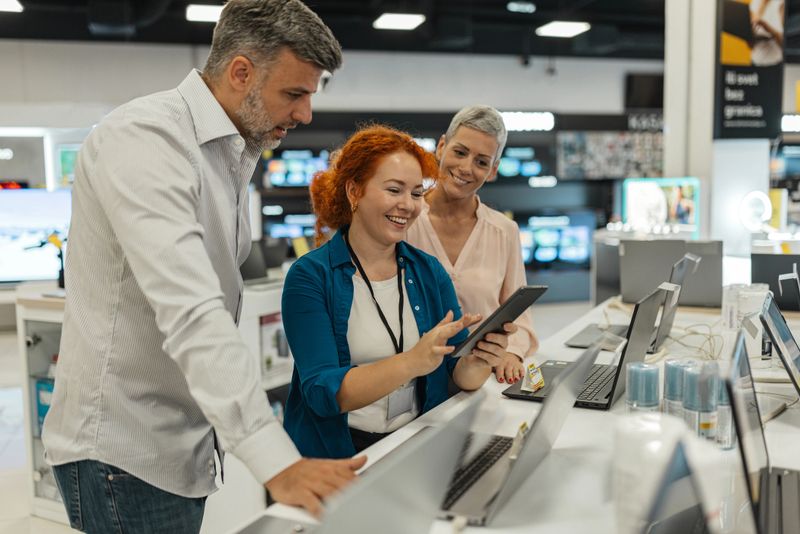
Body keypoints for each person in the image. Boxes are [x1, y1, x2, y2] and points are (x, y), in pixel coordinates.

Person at [41, 1, 364, 531]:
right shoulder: (146, 138)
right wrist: (276, 461)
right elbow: (191, 308)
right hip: (124, 452)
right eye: (294, 94)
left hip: (179, 444)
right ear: (241, 72)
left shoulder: (229, 153)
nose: (306, 113)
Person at [281, 124, 516, 457]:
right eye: (394, 190)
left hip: (414, 443)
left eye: (417, 194)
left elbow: (457, 374)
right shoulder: (310, 277)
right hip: (337, 456)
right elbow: (322, 392)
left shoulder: (428, 271)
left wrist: (479, 359)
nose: (408, 205)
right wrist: (412, 362)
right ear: (354, 192)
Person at [405, 105, 539, 386]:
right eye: (460, 152)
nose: (466, 168)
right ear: (441, 147)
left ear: (493, 170)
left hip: (478, 382)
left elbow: (520, 317)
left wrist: (511, 354)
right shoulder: (405, 219)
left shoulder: (504, 231)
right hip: (411, 382)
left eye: (481, 161)